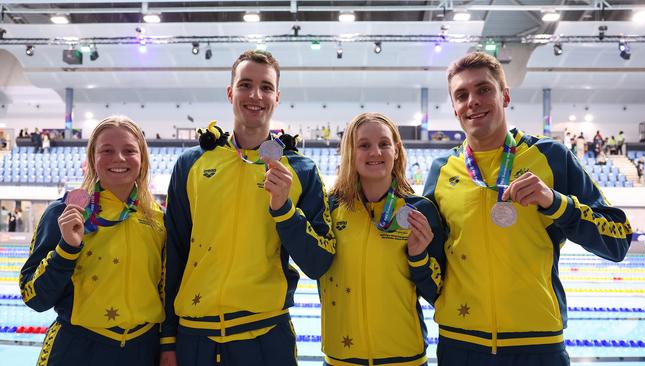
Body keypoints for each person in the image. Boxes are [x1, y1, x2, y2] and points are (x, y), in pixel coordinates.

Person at [423, 52, 632, 365]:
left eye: (483, 90)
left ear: (505, 96)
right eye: (461, 95)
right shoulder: (441, 171)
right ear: (454, 108)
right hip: (460, 344)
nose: (473, 102)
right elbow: (431, 261)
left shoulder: (552, 157)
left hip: (539, 345)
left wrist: (556, 203)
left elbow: (618, 240)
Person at [160, 50, 335, 366]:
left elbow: (319, 262)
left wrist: (284, 211)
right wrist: (167, 338)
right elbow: (173, 252)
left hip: (266, 337)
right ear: (230, 92)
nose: (256, 95)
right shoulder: (191, 164)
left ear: (277, 97)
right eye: (245, 85)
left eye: (266, 87)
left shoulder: (301, 169)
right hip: (195, 337)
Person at [19, 116, 167, 366]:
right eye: (107, 150)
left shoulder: (157, 219)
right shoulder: (64, 213)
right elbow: (34, 297)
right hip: (78, 349)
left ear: (142, 159)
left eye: (129, 150)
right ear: (92, 159)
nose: (119, 158)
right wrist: (66, 249)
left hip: (142, 349)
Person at [323, 112, 445, 366]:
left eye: (384, 144)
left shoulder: (419, 210)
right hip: (342, 358)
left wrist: (419, 258)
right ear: (350, 152)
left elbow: (439, 294)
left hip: (405, 358)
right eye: (364, 145)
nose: (375, 152)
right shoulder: (329, 208)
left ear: (397, 150)